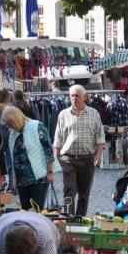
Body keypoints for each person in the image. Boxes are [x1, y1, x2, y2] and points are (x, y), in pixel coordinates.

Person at [53, 84, 105, 216]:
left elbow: (100, 136)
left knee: (84, 193)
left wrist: (98, 155)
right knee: (69, 191)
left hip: (87, 159)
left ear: (84, 97)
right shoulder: (63, 114)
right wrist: (54, 159)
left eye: (77, 95)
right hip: (68, 159)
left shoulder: (94, 114)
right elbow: (58, 138)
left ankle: (80, 220)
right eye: (72, 95)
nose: (74, 98)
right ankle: (69, 218)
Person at [2, 106, 55, 210]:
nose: (10, 126)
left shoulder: (36, 126)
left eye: (10, 123)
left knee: (36, 211)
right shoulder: (13, 134)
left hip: (38, 178)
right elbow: (13, 159)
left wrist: (50, 172)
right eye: (8, 124)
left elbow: (48, 150)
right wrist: (13, 181)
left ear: (16, 119)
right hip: (21, 181)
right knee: (25, 213)